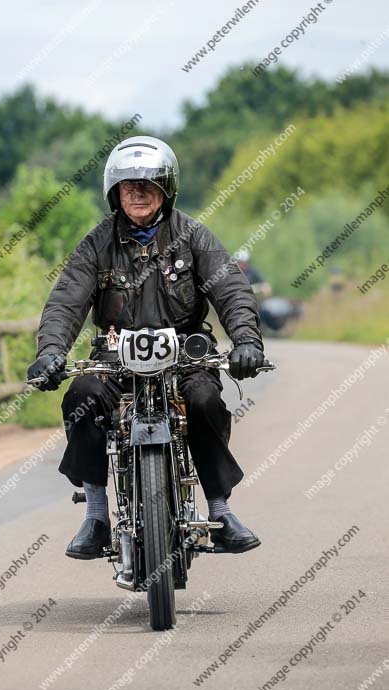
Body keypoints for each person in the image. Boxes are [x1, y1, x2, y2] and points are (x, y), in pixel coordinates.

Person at [27, 136, 265, 559]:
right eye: (128, 185)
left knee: (205, 399)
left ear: (166, 190)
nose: (137, 192)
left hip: (185, 357)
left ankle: (221, 510)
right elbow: (66, 301)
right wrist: (50, 352)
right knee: (82, 397)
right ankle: (96, 516)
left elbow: (232, 290)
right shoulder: (96, 244)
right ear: (114, 193)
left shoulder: (194, 236)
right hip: (115, 358)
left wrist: (246, 341)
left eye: (148, 184)